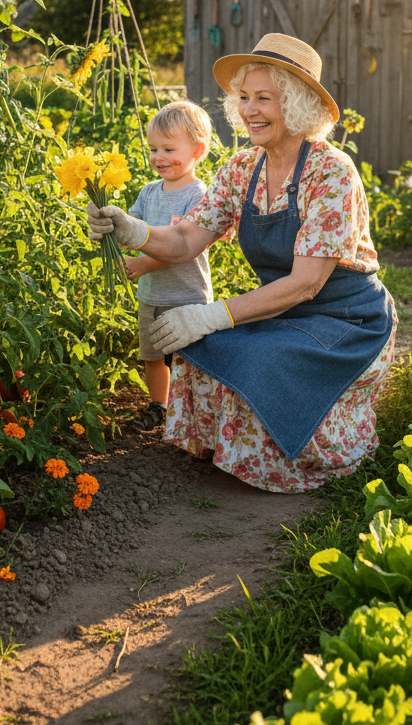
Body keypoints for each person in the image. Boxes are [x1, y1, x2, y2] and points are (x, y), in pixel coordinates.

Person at [88, 33, 396, 493]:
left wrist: (212, 314)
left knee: (255, 358)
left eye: (264, 99)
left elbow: (305, 285)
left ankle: (293, 452)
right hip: (283, 312)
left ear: (296, 106)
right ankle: (230, 450)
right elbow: (188, 238)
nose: (249, 110)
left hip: (346, 321)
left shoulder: (331, 173)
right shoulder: (241, 169)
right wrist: (132, 230)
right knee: (205, 350)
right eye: (244, 98)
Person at [125, 101, 214, 431]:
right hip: (151, 296)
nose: (159, 157)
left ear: (198, 150)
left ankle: (189, 414)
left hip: (185, 295)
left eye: (168, 148)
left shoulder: (198, 194)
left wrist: (146, 264)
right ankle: (158, 407)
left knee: (184, 358)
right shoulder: (149, 192)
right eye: (153, 149)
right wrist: (114, 229)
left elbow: (187, 247)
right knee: (151, 356)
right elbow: (132, 225)